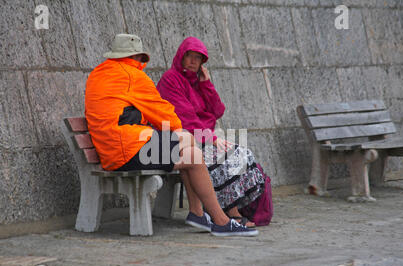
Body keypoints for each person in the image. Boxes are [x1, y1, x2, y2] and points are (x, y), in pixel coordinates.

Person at [84, 34, 258, 237]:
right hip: (126, 150)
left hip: (112, 148)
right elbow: (161, 110)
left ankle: (198, 213)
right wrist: (178, 130)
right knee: (189, 148)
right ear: (138, 57)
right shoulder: (132, 75)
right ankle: (220, 220)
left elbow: (118, 111)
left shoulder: (98, 73)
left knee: (188, 152)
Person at [157, 37, 273, 227]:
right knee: (225, 158)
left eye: (198, 58)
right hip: (184, 140)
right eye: (190, 57)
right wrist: (210, 138)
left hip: (203, 138)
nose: (194, 62)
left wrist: (206, 84)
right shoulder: (171, 79)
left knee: (243, 155)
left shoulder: (197, 81)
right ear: (181, 57)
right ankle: (232, 214)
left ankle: (233, 210)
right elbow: (185, 117)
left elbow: (218, 110)